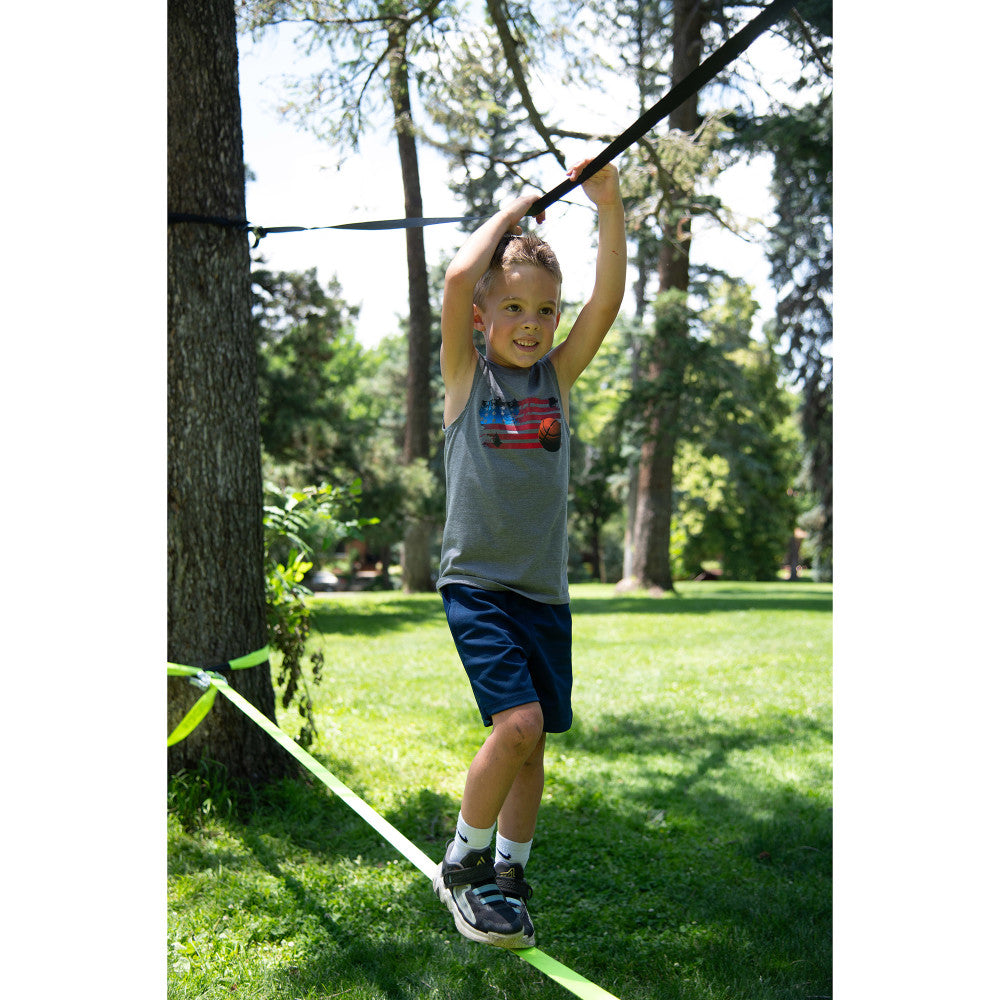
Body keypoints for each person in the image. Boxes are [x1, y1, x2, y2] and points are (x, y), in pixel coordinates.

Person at [432, 158, 627, 949]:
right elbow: (454, 278)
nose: (531, 322)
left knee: (534, 741)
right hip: (477, 585)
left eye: (545, 310)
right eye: (511, 306)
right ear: (483, 319)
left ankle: (510, 871)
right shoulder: (464, 381)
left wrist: (607, 206)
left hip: (543, 594)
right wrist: (515, 211)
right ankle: (464, 866)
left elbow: (608, 300)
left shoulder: (557, 377)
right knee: (515, 725)